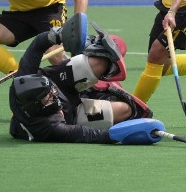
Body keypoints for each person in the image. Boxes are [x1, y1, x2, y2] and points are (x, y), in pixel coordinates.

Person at [9, 15, 156, 144]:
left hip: (60, 80)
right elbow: (89, 135)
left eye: (50, 90)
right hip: (73, 113)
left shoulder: (23, 78)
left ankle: (88, 53)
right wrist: (122, 136)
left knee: (101, 61)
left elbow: (38, 43)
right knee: (126, 110)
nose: (54, 94)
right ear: (37, 106)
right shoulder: (50, 127)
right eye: (48, 98)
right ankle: (91, 93)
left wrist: (58, 34)